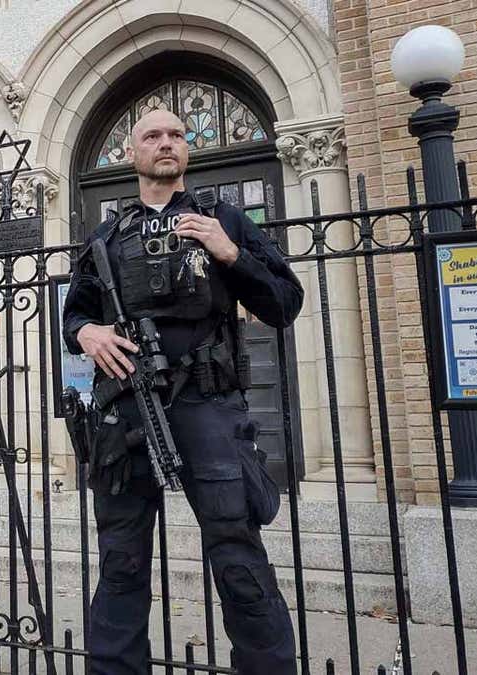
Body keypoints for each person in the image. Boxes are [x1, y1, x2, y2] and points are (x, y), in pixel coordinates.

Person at [63, 110, 303, 675]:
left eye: (176, 135)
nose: (165, 143)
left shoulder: (223, 218)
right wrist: (87, 332)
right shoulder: (106, 236)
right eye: (153, 136)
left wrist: (231, 254)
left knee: (237, 554)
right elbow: (73, 313)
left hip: (207, 407)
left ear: (187, 150)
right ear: (131, 151)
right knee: (120, 562)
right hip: (125, 410)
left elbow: (284, 304)